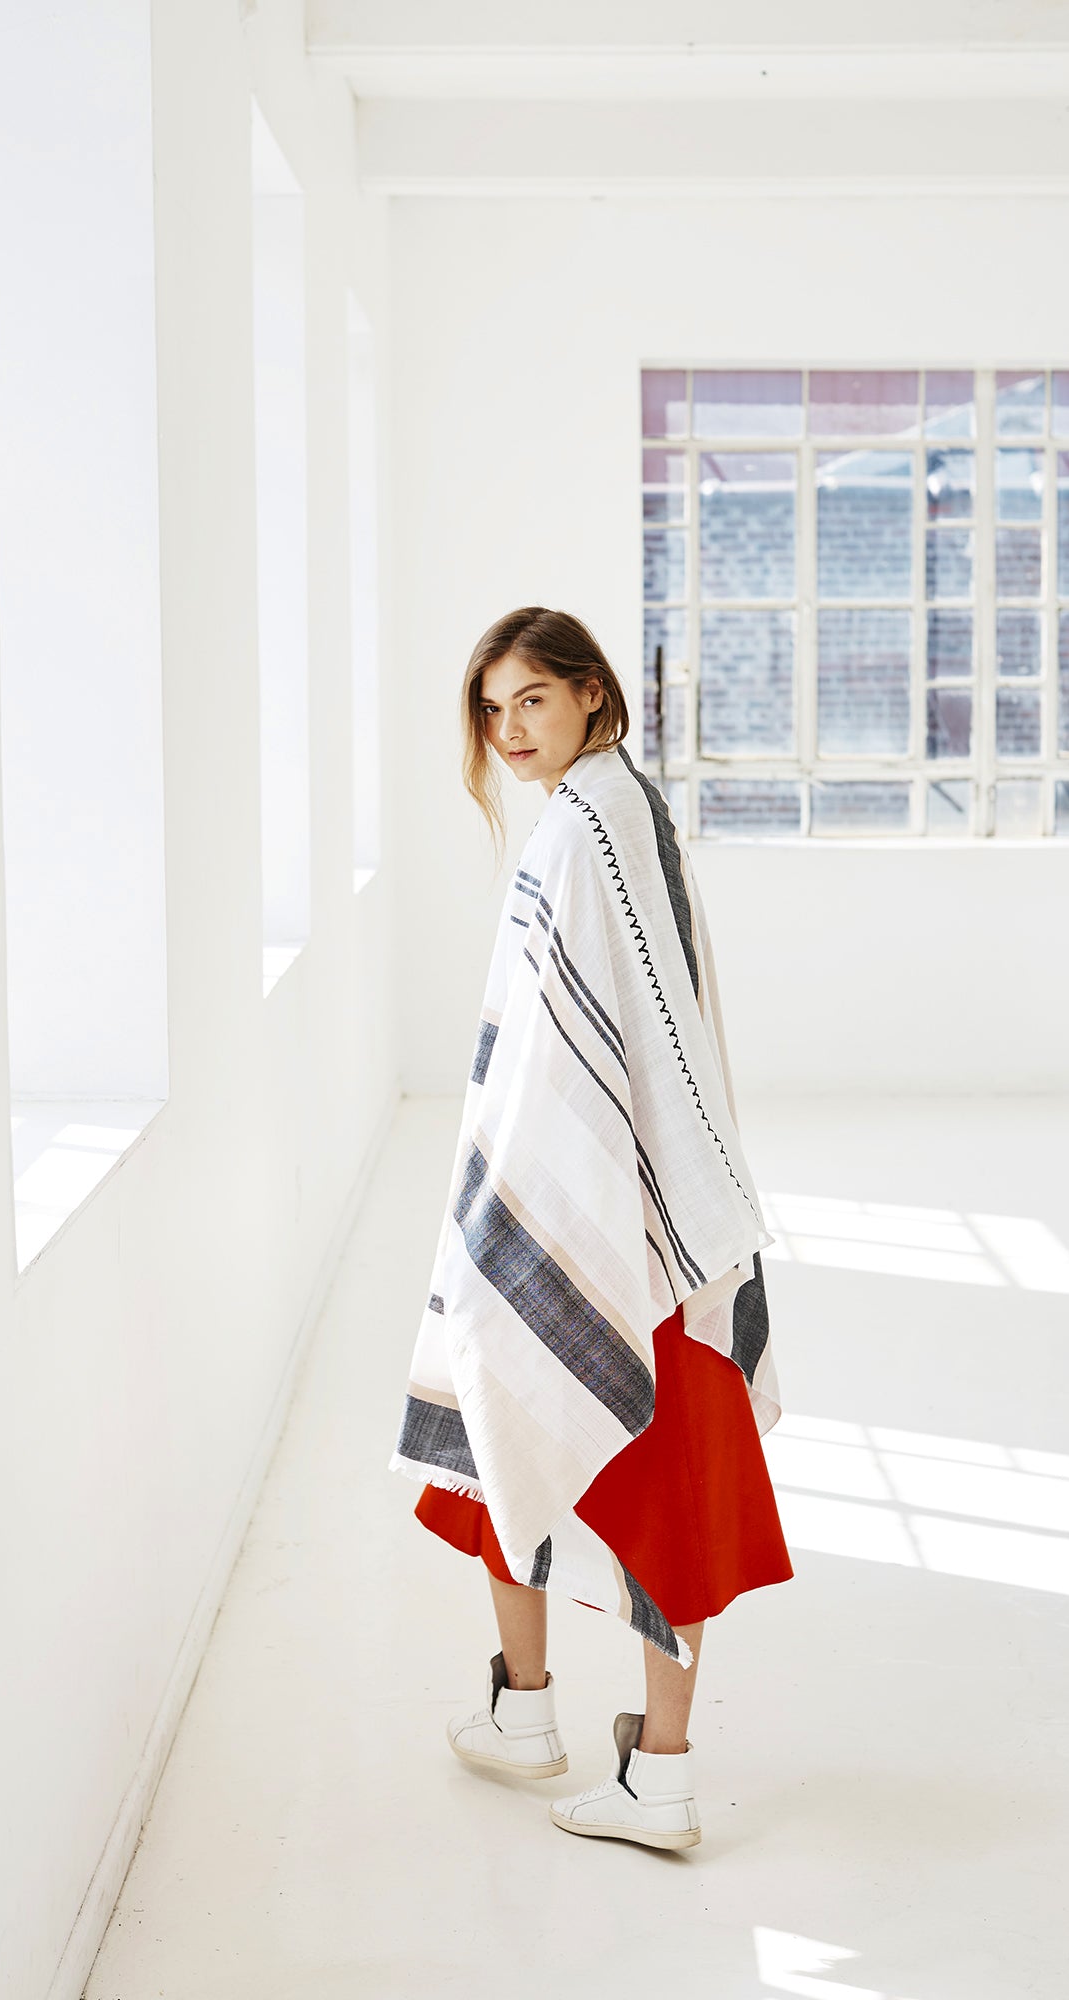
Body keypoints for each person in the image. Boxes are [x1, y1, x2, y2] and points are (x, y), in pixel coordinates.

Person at [389, 606, 793, 1853]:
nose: (510, 729)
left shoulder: (581, 828)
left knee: (529, 1417)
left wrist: (505, 1205)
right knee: (636, 1469)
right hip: (663, 1208)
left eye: (532, 701)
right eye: (491, 709)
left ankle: (579, 1736)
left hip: (610, 1205)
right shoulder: (622, 807)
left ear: (590, 698)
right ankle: (606, 1747)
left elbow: (574, 1051)